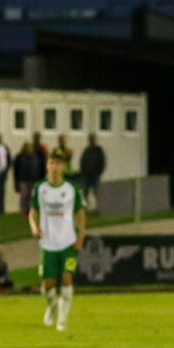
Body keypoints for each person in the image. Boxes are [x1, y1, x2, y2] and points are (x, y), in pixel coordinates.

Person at [29, 148, 86, 331]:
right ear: (47, 165)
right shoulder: (40, 188)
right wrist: (34, 228)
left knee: (67, 279)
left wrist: (80, 236)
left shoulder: (72, 189)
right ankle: (52, 306)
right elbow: (33, 212)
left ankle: (62, 320)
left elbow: (80, 214)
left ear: (64, 167)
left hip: (68, 243)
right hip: (47, 244)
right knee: (48, 286)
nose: (54, 167)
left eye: (58, 163)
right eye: (51, 163)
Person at [78, 133, 106, 212]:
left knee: (96, 191)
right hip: (86, 175)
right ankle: (85, 208)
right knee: (85, 192)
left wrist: (99, 172)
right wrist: (83, 171)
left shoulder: (98, 150)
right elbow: (82, 161)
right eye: (90, 139)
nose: (91, 141)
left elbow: (102, 162)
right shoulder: (87, 150)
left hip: (95, 175)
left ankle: (97, 208)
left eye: (92, 139)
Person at [13, 142, 42, 216]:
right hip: (23, 179)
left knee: (31, 195)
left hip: (32, 178)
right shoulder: (20, 156)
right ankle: (23, 209)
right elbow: (16, 168)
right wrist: (17, 180)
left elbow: (37, 167)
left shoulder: (34, 156)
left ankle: (30, 209)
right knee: (24, 195)